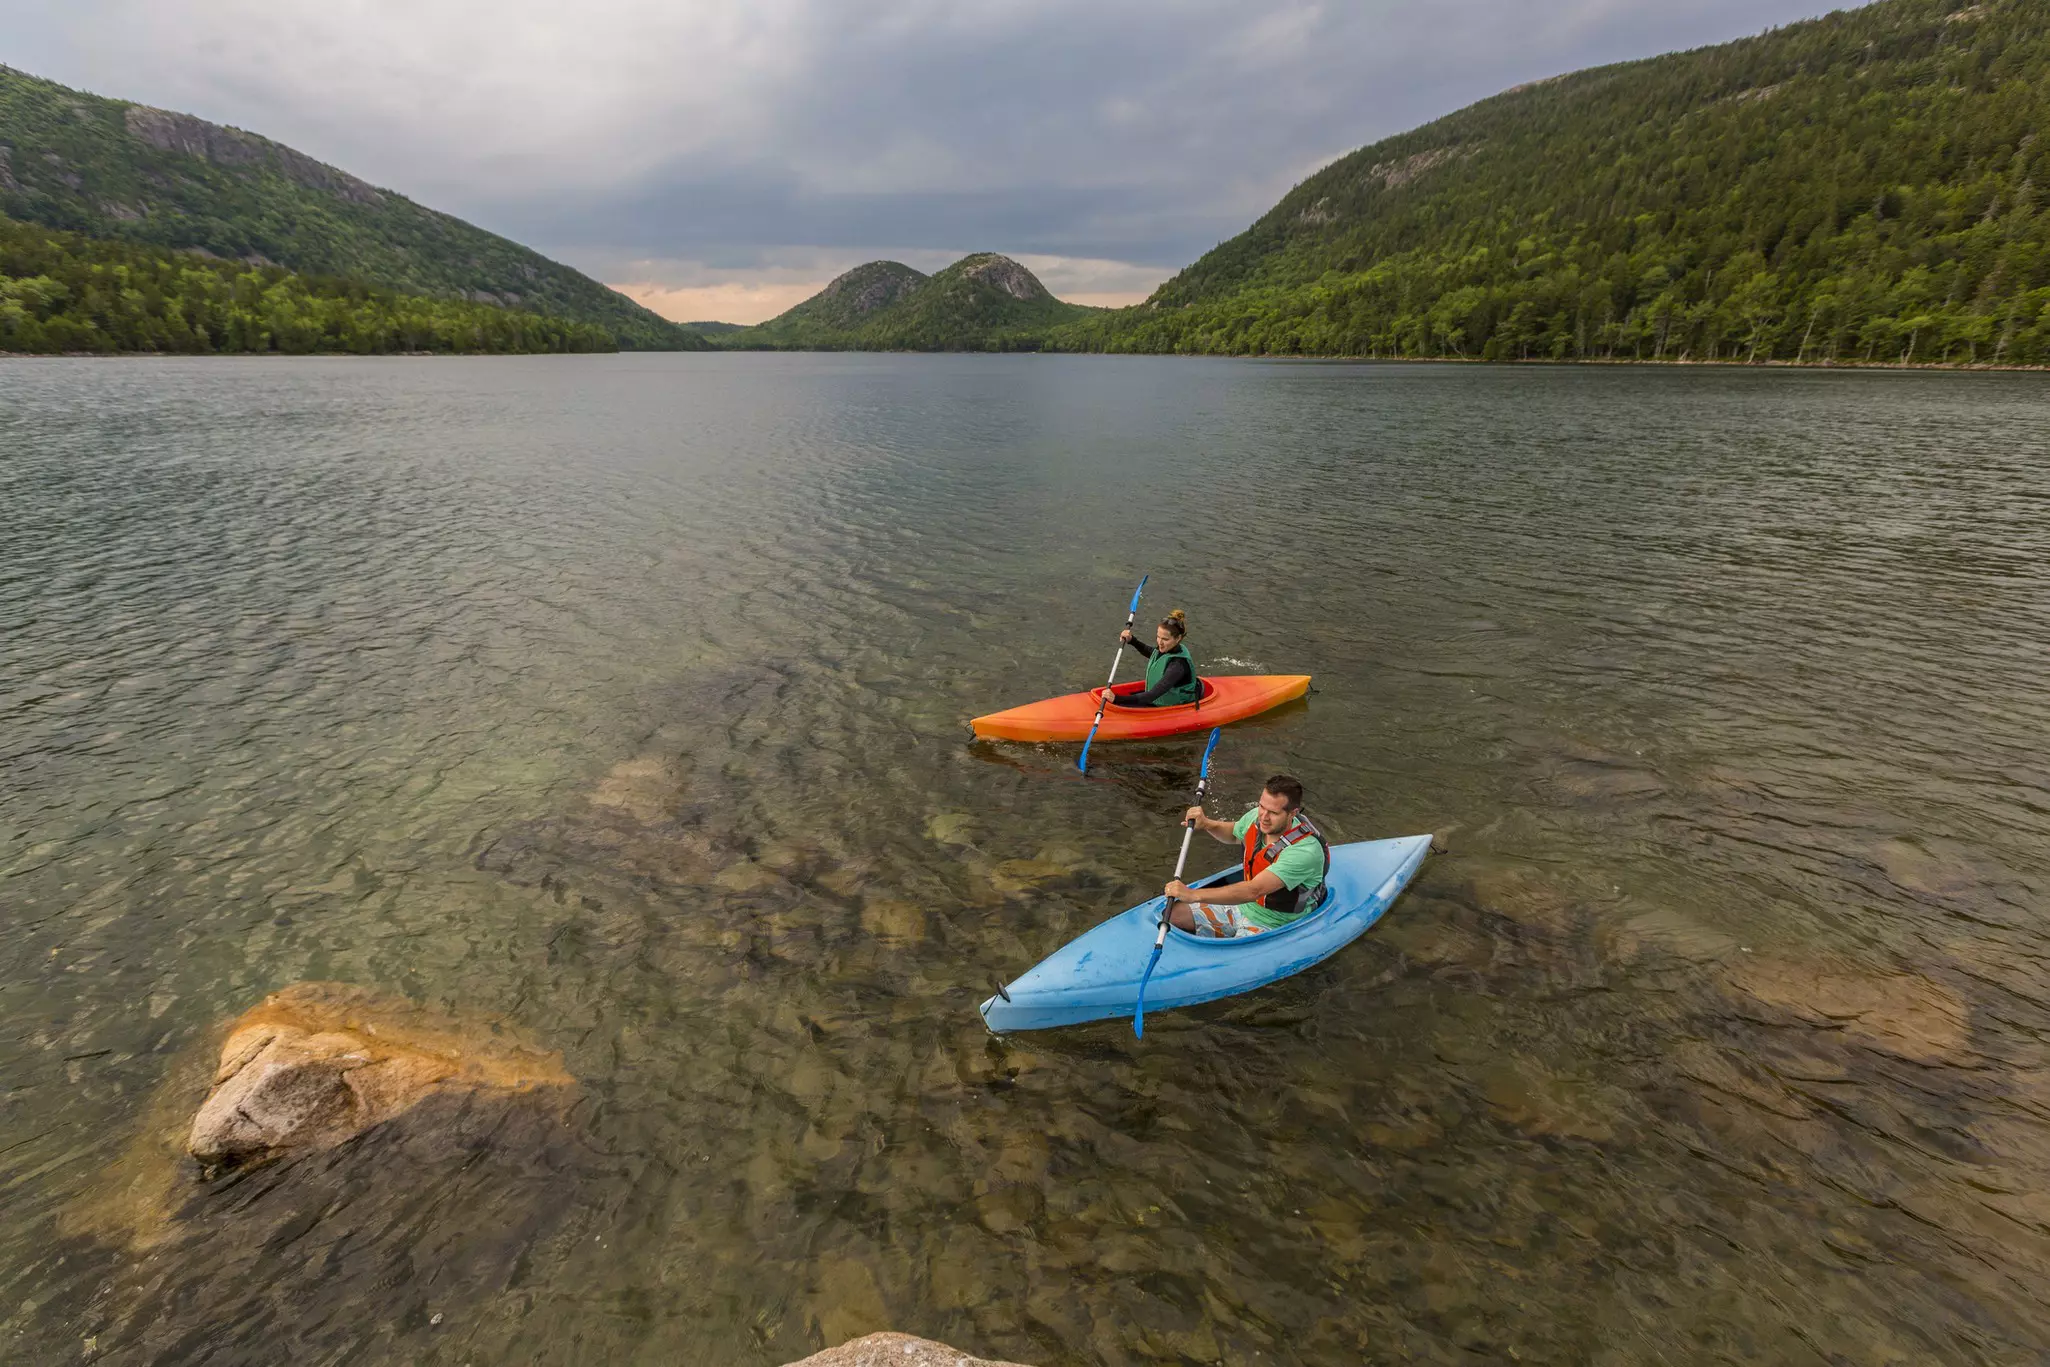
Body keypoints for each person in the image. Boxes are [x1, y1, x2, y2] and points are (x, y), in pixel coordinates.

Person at [1163, 774, 1328, 938]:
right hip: (1241, 907)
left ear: (1292, 813)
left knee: (1227, 953)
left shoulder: (1304, 852)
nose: (1264, 817)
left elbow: (1254, 890)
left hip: (1272, 924)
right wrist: (1207, 824)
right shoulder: (1257, 817)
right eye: (1262, 806)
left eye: (1273, 812)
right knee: (1173, 914)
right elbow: (1234, 835)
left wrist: (1193, 895)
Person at [1112, 609, 1202, 708]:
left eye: (1165, 639)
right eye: (1158, 637)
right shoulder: (1169, 649)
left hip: (1172, 705)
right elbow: (1152, 653)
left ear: (1178, 638)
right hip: (1156, 698)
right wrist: (1132, 640)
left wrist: (1116, 699)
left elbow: (1151, 696)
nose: (1160, 642)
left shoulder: (1177, 666)